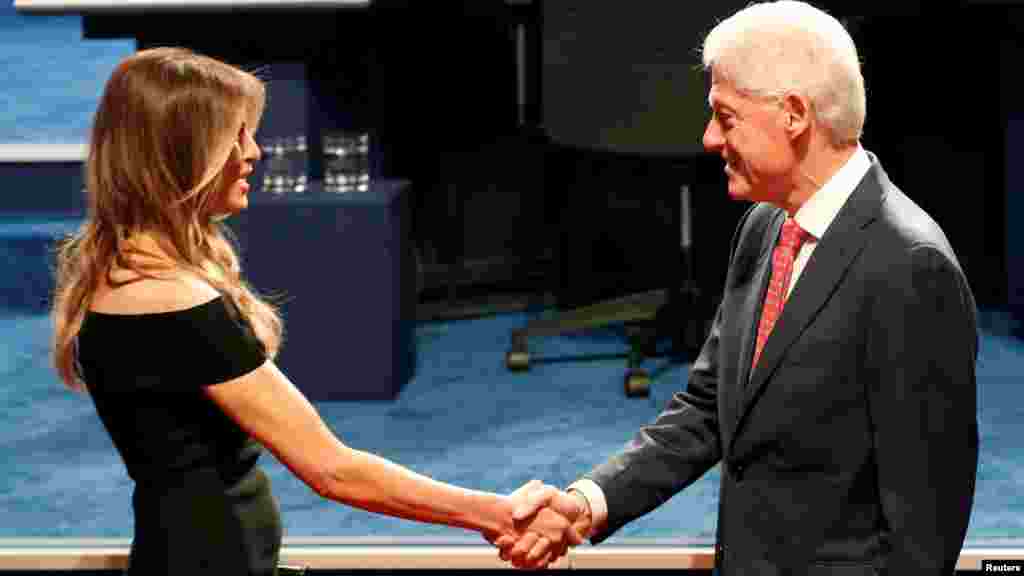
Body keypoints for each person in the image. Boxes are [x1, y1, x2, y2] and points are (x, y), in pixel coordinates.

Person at [50, 46, 577, 576]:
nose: (253, 151)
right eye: (234, 136)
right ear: (180, 151)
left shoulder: (128, 277)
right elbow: (334, 470)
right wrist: (500, 514)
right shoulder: (175, 305)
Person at [494, 2, 980, 574]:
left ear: (794, 115)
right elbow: (709, 410)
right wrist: (584, 505)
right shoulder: (764, 227)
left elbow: (925, 526)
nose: (707, 139)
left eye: (725, 117)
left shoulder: (910, 265)